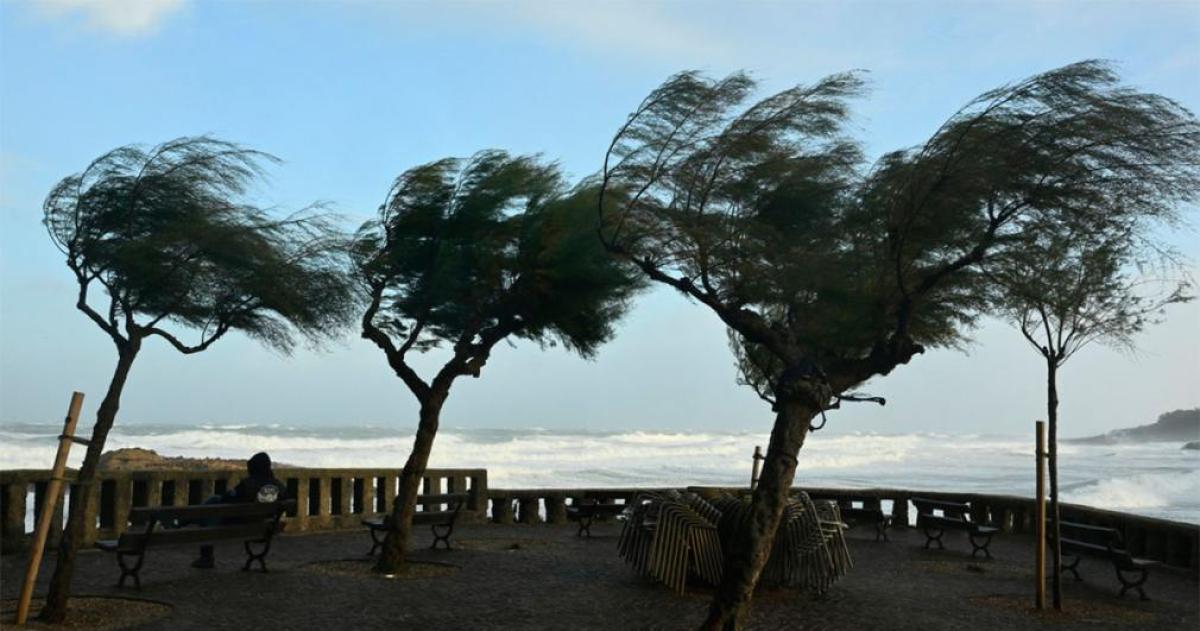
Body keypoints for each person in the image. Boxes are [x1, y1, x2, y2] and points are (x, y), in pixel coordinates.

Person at [191, 451, 287, 569]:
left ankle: (206, 557)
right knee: (214, 503)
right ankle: (183, 522)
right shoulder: (280, 486)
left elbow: (228, 499)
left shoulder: (248, 485)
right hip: (264, 528)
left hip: (241, 525)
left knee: (211, 508)